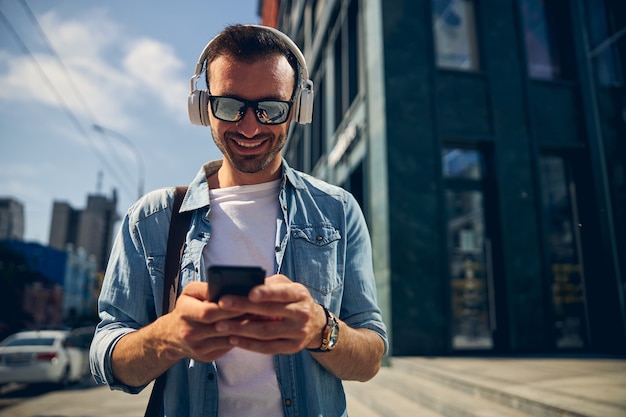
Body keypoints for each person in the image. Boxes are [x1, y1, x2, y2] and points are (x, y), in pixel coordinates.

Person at [90, 24, 388, 417]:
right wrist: (169, 336)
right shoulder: (151, 220)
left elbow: (369, 358)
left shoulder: (338, 211)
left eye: (272, 109)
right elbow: (104, 357)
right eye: (230, 106)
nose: (250, 127)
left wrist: (320, 329)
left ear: (297, 109)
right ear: (202, 107)